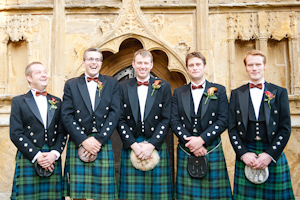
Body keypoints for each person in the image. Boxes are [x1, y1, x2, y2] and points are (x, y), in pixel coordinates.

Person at [228, 50, 294, 200]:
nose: (254, 68)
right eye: (250, 65)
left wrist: (270, 155)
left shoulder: (279, 92)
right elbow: (232, 129)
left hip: (272, 152)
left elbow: (285, 128)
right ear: (245, 67)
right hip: (247, 153)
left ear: (265, 66)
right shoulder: (237, 94)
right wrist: (243, 153)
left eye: (258, 64)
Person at [171, 52, 232, 199]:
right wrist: (191, 142)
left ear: (204, 67)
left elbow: (223, 120)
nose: (195, 68)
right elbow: (174, 121)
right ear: (187, 69)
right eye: (191, 65)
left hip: (211, 148)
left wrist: (202, 140)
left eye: (198, 64)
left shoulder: (219, 90)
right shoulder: (179, 92)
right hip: (187, 149)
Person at [61, 47, 120, 200]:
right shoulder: (72, 84)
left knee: (103, 194)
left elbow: (115, 113)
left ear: (101, 63)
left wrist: (99, 140)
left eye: (97, 59)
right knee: (77, 194)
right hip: (79, 139)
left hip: (101, 140)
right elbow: (66, 115)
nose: (94, 63)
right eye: (90, 59)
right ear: (84, 62)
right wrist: (83, 140)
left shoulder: (112, 83)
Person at [117, 49, 173, 200]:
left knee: (158, 196)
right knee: (131, 195)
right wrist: (133, 144)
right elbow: (119, 119)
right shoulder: (122, 86)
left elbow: (166, 118)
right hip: (132, 144)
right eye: (139, 63)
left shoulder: (164, 86)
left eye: (146, 63)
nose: (143, 66)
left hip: (155, 144)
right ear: (133, 64)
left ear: (151, 64)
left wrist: (152, 144)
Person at [10, 62, 67, 200]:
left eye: (45, 72)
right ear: (29, 78)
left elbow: (62, 132)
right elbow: (16, 133)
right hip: (30, 155)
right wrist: (37, 156)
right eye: (38, 72)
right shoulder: (19, 101)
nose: (44, 75)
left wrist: (55, 153)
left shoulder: (57, 101)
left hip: (52, 157)